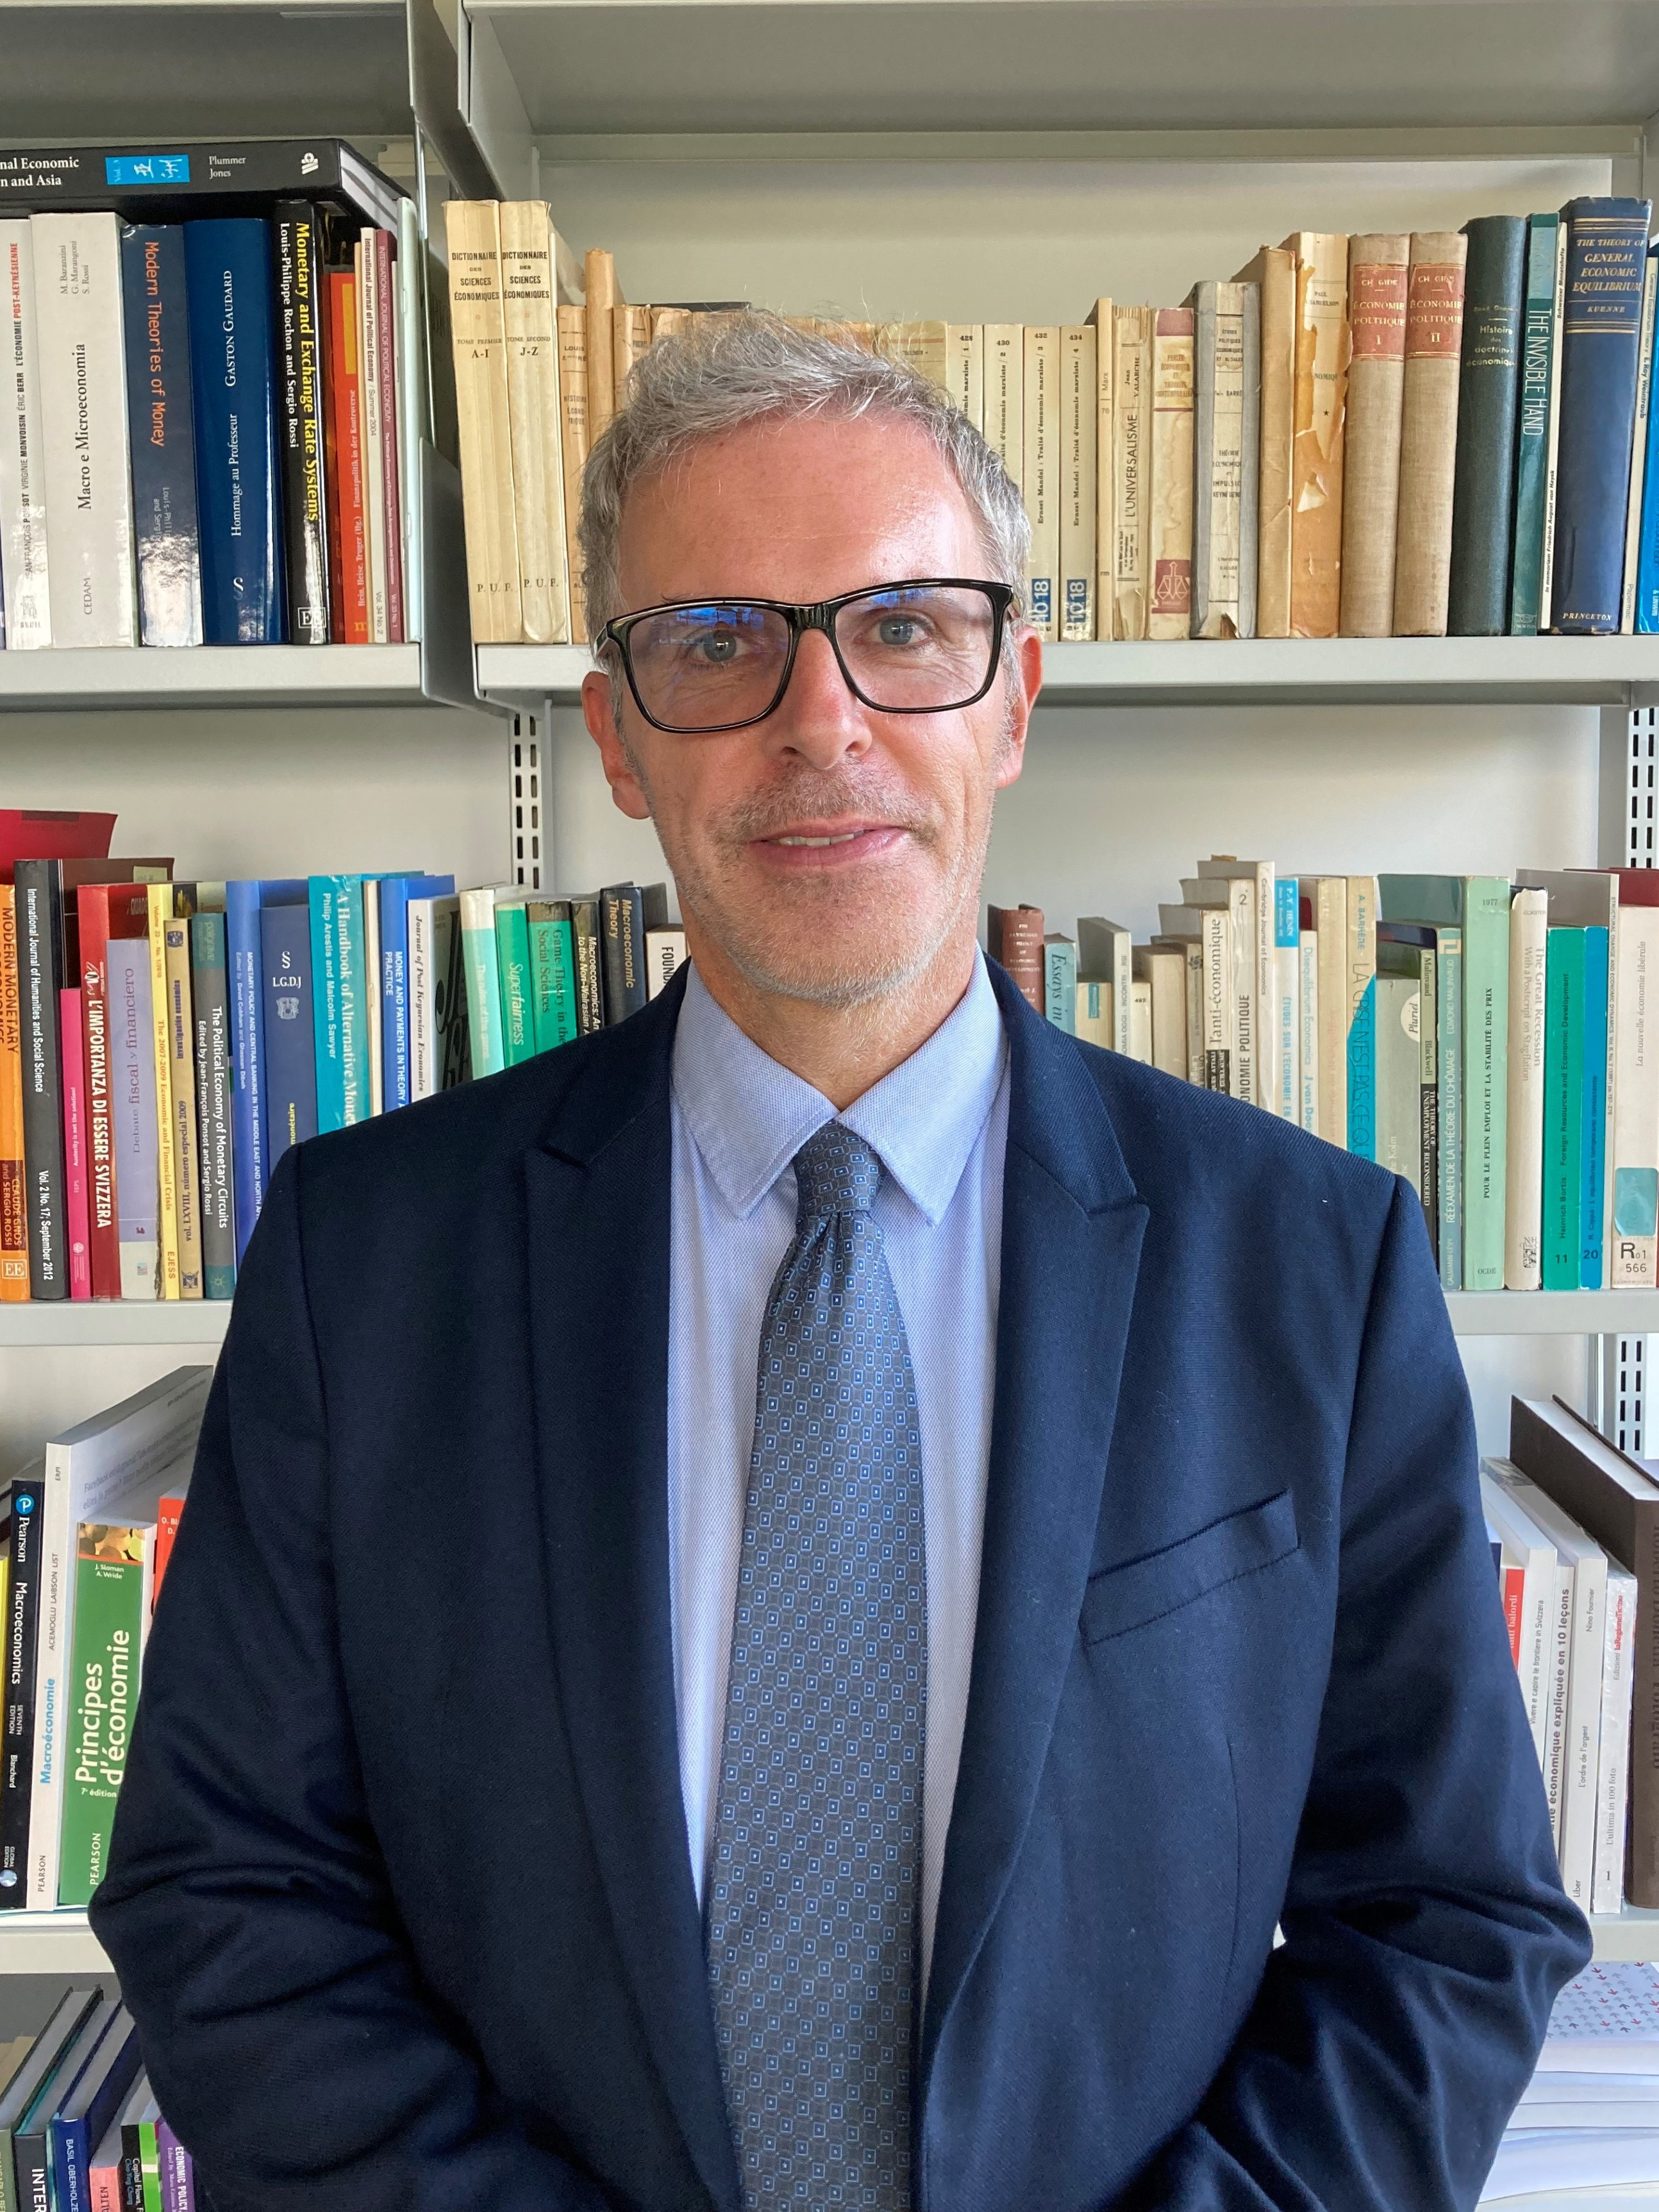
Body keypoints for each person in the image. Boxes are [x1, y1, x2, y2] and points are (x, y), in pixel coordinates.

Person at [92, 311, 1588, 2211]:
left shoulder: (1311, 1262)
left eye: (904, 627)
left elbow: (1447, 1918)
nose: (822, 721)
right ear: (616, 738)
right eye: (718, 641)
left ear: (1013, 701)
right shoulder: (365, 1259)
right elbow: (227, 1886)